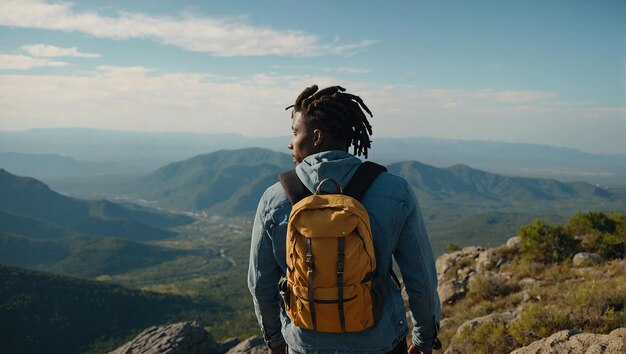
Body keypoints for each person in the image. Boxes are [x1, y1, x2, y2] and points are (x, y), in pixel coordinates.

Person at [248, 85, 441, 354]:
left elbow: (260, 283)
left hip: (305, 344)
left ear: (316, 136)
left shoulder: (275, 198)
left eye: (295, 132)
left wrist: (274, 340)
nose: (290, 143)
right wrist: (424, 337)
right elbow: (420, 277)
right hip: (380, 341)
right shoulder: (395, 192)